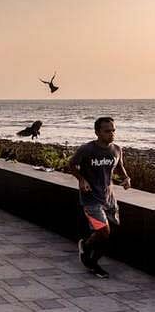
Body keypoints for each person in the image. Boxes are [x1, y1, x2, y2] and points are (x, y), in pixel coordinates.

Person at [69, 117, 131, 278]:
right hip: (91, 200)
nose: (112, 134)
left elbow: (119, 166)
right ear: (97, 132)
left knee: (108, 233)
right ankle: (92, 262)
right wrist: (82, 180)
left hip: (109, 199)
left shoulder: (117, 149)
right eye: (107, 131)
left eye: (113, 130)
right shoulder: (87, 149)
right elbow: (71, 165)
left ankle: (87, 247)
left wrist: (126, 178)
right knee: (104, 232)